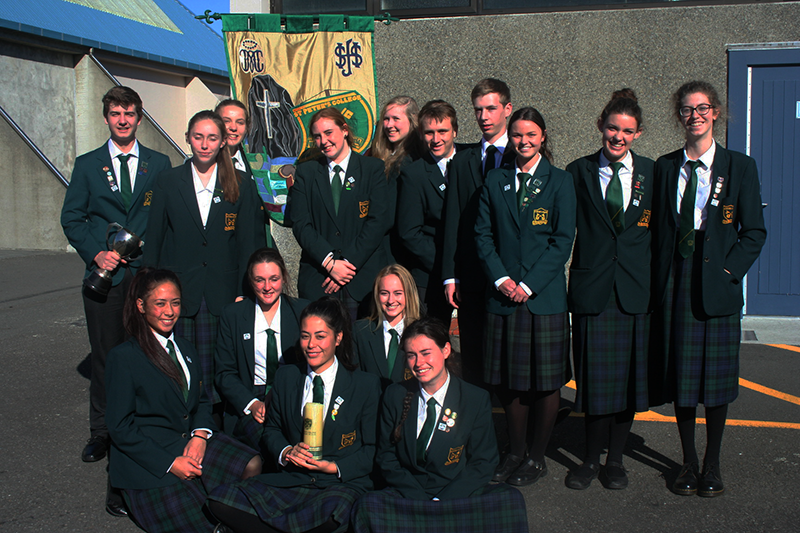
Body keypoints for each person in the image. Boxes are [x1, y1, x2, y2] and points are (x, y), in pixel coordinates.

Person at [651, 81, 766, 497]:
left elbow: (754, 232)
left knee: (716, 382)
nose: (695, 115)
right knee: (682, 377)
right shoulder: (665, 166)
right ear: (679, 116)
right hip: (677, 279)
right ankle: (687, 462)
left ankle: (712, 463)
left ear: (716, 112)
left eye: (702, 108)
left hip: (717, 280)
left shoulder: (740, 166)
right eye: (687, 109)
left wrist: (728, 271)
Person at [61, 86, 171, 516]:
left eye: (129, 113)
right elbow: (72, 217)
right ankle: (102, 432)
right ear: (106, 117)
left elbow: (165, 218)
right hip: (105, 278)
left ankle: (143, 426)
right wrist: (96, 252)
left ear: (140, 118)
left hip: (144, 278)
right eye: (115, 113)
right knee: (106, 357)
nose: (123, 120)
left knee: (145, 355)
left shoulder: (159, 164)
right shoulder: (88, 165)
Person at [105, 268, 261, 532]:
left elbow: (201, 401)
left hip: (190, 442)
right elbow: (119, 427)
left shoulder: (187, 348)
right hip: (150, 460)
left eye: (175, 303)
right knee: (204, 523)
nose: (169, 311)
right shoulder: (124, 357)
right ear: (141, 306)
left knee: (252, 464)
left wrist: (199, 436)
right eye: (160, 303)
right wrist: (170, 463)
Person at [207, 297, 381, 533]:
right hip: (292, 480)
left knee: (336, 513)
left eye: (320, 336)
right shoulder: (286, 377)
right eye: (305, 336)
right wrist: (287, 451)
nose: (311, 344)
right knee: (220, 499)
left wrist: (333, 467)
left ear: (338, 337)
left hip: (337, 484)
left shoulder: (365, 385)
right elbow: (272, 430)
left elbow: (372, 448)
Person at [350, 316, 528, 533]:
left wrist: (441, 502)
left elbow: (483, 462)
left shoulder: (475, 398)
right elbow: (386, 456)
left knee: (511, 501)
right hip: (409, 495)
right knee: (366, 506)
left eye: (426, 353)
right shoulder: (395, 394)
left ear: (445, 350)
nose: (419, 363)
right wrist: (418, 498)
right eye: (411, 355)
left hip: (455, 496)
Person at [475, 107, 576, 486]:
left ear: (543, 137)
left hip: (543, 298)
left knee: (546, 382)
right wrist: (502, 279)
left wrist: (528, 285)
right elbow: (483, 234)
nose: (523, 141)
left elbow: (561, 241)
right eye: (517, 135)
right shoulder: (495, 180)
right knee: (509, 382)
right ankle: (515, 452)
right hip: (502, 297)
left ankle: (536, 457)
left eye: (531, 134)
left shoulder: (560, 181)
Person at [144, 110, 267, 411]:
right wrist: (150, 289)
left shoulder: (240, 183)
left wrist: (244, 291)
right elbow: (155, 237)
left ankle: (215, 426)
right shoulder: (168, 180)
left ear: (223, 141)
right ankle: (181, 421)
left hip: (222, 291)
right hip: (179, 290)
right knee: (179, 365)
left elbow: (249, 243)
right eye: (198, 137)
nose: (204, 144)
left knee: (219, 367)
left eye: (212, 138)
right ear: (188, 138)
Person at [564, 89, 655, 490]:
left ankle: (615, 460)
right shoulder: (578, 171)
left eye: (627, 131)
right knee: (595, 383)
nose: (619, 137)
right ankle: (589, 459)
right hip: (593, 290)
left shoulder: (652, 173)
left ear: (638, 134)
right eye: (613, 128)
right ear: (601, 126)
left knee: (628, 384)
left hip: (634, 291)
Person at [441, 78, 515, 384]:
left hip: (510, 271)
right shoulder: (462, 161)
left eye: (491, 108)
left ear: (507, 109)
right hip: (470, 274)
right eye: (478, 110)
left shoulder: (522, 153)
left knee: (510, 357)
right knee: (473, 354)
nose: (484, 116)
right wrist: (450, 275)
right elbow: (453, 220)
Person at [287, 107, 389, 321]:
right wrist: (330, 263)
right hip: (320, 279)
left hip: (362, 280)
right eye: (317, 136)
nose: (323, 141)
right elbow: (301, 223)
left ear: (344, 130)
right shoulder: (306, 173)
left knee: (361, 341)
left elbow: (377, 221)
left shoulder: (372, 169)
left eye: (328, 133)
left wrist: (347, 264)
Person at [215, 247, 309, 450]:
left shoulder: (302, 311)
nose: (267, 287)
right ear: (251, 281)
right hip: (251, 398)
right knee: (265, 443)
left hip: (291, 396)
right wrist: (252, 404)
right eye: (260, 280)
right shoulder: (233, 315)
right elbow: (224, 373)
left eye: (274, 279)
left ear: (284, 277)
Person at [396, 100, 459, 322]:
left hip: (472, 272)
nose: (436, 139)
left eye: (442, 131)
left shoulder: (471, 160)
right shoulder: (413, 174)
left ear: (455, 131)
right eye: (429, 132)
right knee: (430, 336)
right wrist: (448, 268)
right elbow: (409, 232)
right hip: (431, 274)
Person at [370, 96, 422, 266]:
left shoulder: (410, 161)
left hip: (396, 251)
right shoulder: (378, 157)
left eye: (396, 119)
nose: (389, 125)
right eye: (386, 119)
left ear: (412, 121)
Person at [353, 264, 422, 390]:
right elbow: (354, 379)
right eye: (384, 293)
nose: (391, 300)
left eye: (397, 293)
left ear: (409, 295)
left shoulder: (422, 333)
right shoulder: (360, 331)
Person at [215, 99, 273, 247]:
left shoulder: (257, 164)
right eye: (226, 121)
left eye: (240, 122)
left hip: (254, 247)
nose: (233, 128)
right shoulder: (206, 167)